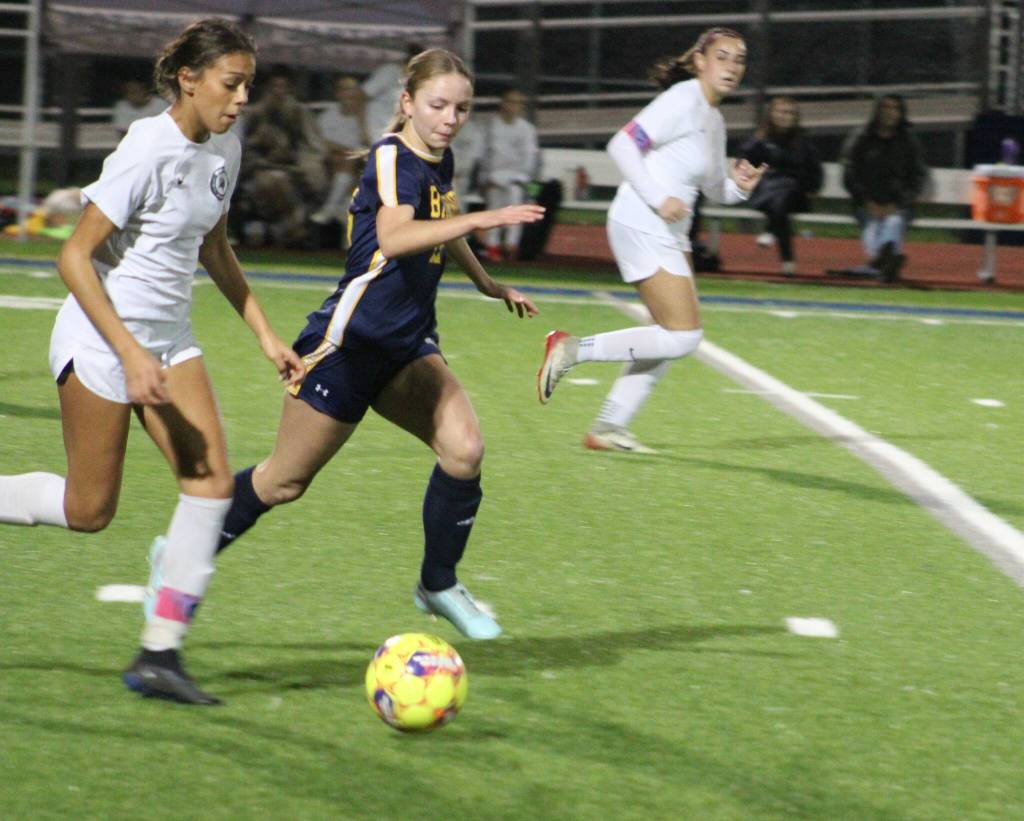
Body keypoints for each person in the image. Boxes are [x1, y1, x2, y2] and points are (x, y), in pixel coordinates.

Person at [185, 48, 543, 640]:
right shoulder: (389, 156)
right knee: (282, 482)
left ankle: (438, 583)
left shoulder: (438, 157)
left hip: (407, 345)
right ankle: (180, 555)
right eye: (438, 105)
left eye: (462, 108)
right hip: (349, 343)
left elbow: (440, 214)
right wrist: (483, 219)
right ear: (406, 103)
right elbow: (400, 235)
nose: (451, 118)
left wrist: (486, 281)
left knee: (465, 450)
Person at [0, 18, 305, 704]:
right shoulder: (147, 147)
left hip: (168, 339)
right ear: (188, 79)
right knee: (89, 509)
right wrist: (130, 354)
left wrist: (264, 333)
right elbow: (73, 255)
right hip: (103, 340)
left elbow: (215, 247)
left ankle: (158, 655)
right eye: (232, 83)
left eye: (249, 84)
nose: (242, 98)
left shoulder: (224, 147)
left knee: (210, 485)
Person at [536, 27, 765, 453]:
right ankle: (569, 349)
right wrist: (659, 199)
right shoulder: (681, 100)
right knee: (683, 337)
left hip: (666, 231)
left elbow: (715, 188)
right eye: (723, 56)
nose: (732, 66)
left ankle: (607, 427)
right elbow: (622, 144)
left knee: (668, 334)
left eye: (739, 59)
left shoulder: (712, 118)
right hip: (642, 222)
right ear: (699, 60)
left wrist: (741, 186)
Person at [840, 94, 928, 282]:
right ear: (878, 111)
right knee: (872, 225)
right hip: (866, 203)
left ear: (901, 112)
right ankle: (887, 262)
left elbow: (918, 177)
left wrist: (899, 203)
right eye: (886, 107)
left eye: (895, 108)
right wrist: (865, 200)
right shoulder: (862, 138)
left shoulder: (909, 141)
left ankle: (879, 261)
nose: (890, 112)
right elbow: (850, 174)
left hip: (898, 205)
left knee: (893, 222)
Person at [239, 65, 326, 245]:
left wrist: (303, 164)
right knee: (270, 182)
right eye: (275, 87)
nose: (279, 92)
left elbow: (313, 145)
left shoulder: (300, 113)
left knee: (285, 182)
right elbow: (244, 148)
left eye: (283, 87)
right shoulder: (255, 114)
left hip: (295, 169)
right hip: (258, 170)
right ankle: (288, 229)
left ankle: (290, 230)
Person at [740, 96, 823, 276]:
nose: (786, 116)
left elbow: (814, 171)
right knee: (778, 204)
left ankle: (772, 233)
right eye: (781, 112)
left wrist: (812, 188)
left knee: (784, 194)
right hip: (765, 194)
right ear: (771, 114)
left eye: (790, 113)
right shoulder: (760, 141)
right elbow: (745, 164)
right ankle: (787, 259)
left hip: (796, 196)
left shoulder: (803, 142)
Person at [480, 88, 540, 261]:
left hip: (516, 180)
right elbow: (485, 154)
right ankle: (493, 249)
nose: (514, 106)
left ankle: (511, 247)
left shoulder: (526, 129)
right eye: (510, 101)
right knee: (493, 214)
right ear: (503, 103)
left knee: (515, 215)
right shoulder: (491, 126)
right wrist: (484, 179)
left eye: (518, 103)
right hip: (494, 178)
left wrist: (523, 180)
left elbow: (529, 157)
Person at [311, 75, 370, 227]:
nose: (349, 94)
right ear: (337, 93)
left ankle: (333, 209)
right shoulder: (328, 115)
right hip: (332, 163)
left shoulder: (369, 116)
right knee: (345, 160)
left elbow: (370, 144)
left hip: (360, 166)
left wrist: (361, 118)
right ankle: (335, 209)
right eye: (345, 89)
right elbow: (323, 143)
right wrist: (349, 151)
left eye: (353, 89)